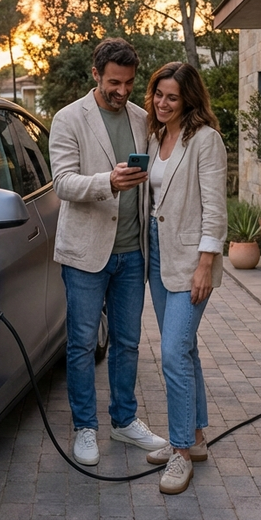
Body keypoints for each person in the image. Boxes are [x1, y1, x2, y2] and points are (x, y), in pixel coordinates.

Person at [49, 37, 169, 466]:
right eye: (114, 83)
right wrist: (108, 182)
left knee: (128, 343)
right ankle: (85, 428)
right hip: (86, 254)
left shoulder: (142, 118)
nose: (123, 91)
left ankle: (124, 421)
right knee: (81, 344)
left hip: (133, 255)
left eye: (130, 83)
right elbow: (62, 182)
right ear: (95, 74)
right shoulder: (68, 119)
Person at [140, 61, 227, 495]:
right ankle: (194, 439)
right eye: (158, 94)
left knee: (172, 352)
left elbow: (215, 207)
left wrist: (206, 263)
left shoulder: (205, 141)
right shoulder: (156, 137)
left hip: (192, 258)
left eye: (172, 97)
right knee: (185, 349)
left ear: (189, 99)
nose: (162, 102)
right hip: (158, 253)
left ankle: (179, 452)